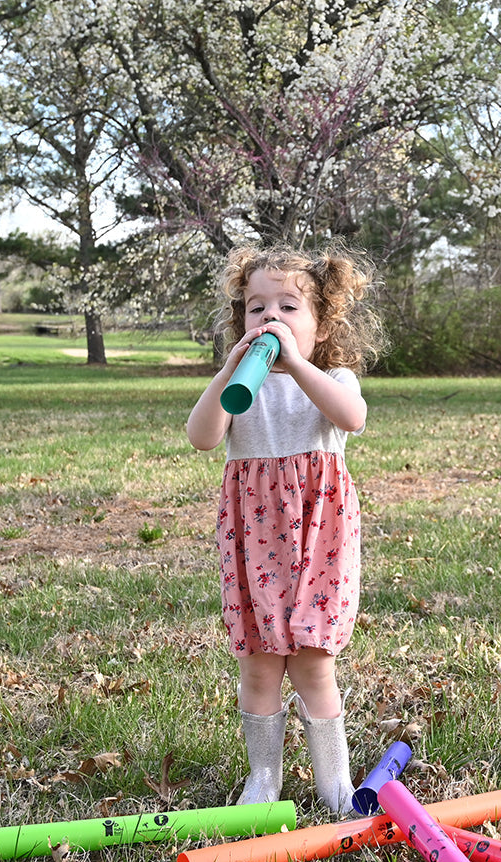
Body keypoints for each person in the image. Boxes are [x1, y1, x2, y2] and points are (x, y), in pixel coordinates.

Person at [187, 241, 385, 815]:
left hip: (317, 539)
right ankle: (264, 781)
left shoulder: (332, 378)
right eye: (256, 307)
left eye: (289, 307)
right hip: (256, 541)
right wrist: (230, 369)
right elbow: (201, 437)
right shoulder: (239, 387)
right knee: (259, 660)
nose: (270, 317)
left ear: (320, 327)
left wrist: (297, 365)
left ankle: (336, 784)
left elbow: (353, 417)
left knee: (312, 660)